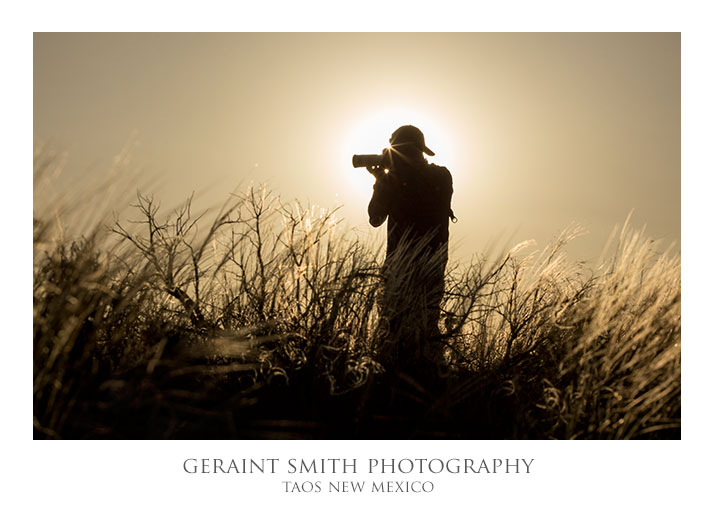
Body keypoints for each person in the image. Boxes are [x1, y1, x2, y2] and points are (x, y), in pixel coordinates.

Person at [367, 125, 454, 367]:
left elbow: (376, 217)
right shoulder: (396, 180)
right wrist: (382, 182)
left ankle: (425, 376)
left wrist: (388, 179)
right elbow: (375, 217)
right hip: (407, 268)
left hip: (421, 269)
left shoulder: (440, 176)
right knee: (393, 329)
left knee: (422, 328)